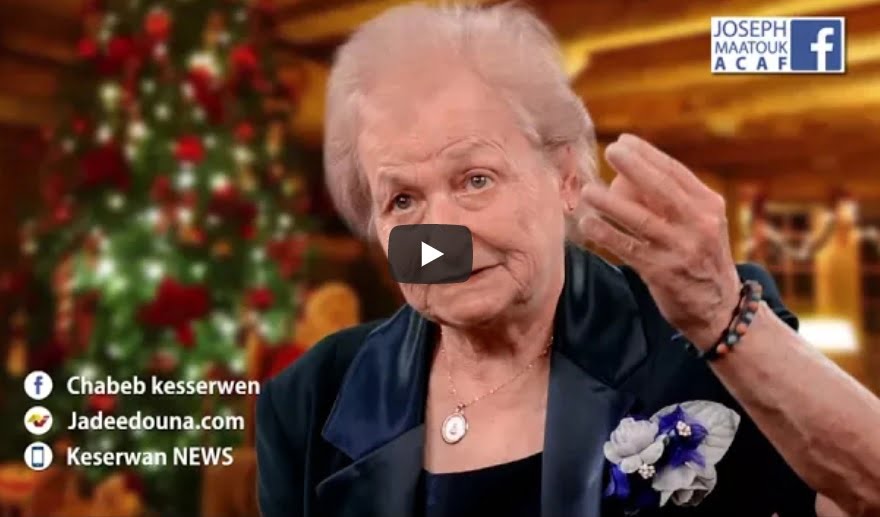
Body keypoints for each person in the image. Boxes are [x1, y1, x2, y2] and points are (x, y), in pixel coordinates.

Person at [256, 4, 880, 517]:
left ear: (566, 178)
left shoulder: (697, 337)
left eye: (475, 179)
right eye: (402, 200)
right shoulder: (310, 397)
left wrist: (720, 317)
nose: (441, 236)